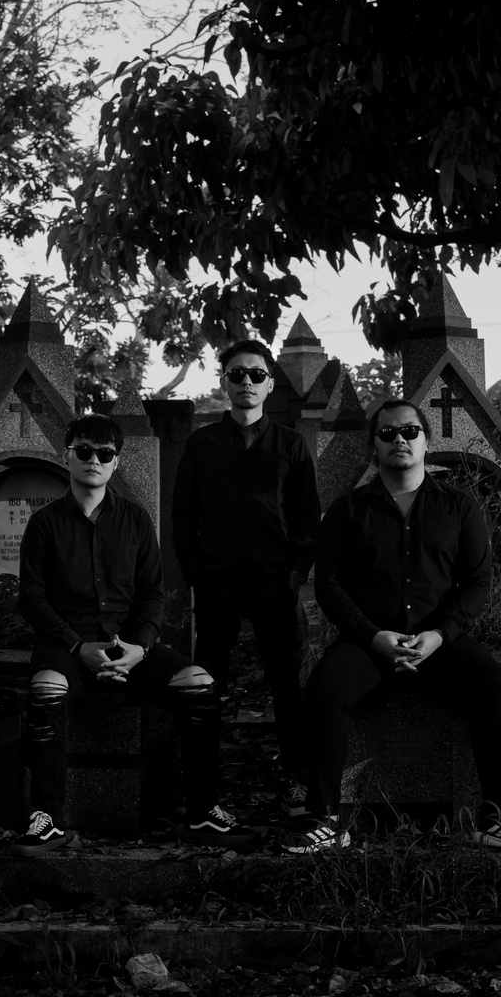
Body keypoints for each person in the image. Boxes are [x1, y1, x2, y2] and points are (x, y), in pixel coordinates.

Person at [11, 413, 262, 856]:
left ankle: (203, 811)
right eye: (83, 451)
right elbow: (32, 597)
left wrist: (139, 649)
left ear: (116, 462)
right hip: (68, 645)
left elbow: (152, 595)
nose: (93, 460)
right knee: (46, 689)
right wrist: (77, 645)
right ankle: (47, 816)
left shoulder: (136, 519)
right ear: (67, 455)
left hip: (130, 645)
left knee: (200, 685)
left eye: (104, 453)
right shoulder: (44, 523)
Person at [285, 399, 501, 853]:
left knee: (494, 686)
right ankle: (325, 820)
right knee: (324, 689)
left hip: (439, 642)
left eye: (410, 431)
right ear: (374, 445)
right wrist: (373, 635)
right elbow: (330, 586)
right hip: (368, 642)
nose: (399, 439)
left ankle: (498, 821)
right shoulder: (347, 510)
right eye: (388, 433)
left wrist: (439, 634)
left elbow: (477, 582)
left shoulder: (458, 506)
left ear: (426, 441)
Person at [172, 339, 321, 817]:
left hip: (274, 583)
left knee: (286, 684)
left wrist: (294, 576)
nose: (246, 383)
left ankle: (297, 781)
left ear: (270, 384)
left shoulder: (291, 445)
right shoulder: (202, 445)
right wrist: (197, 575)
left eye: (256, 375)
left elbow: (307, 518)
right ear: (224, 382)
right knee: (205, 684)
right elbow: (182, 517)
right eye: (236, 374)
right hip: (216, 582)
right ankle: (203, 791)